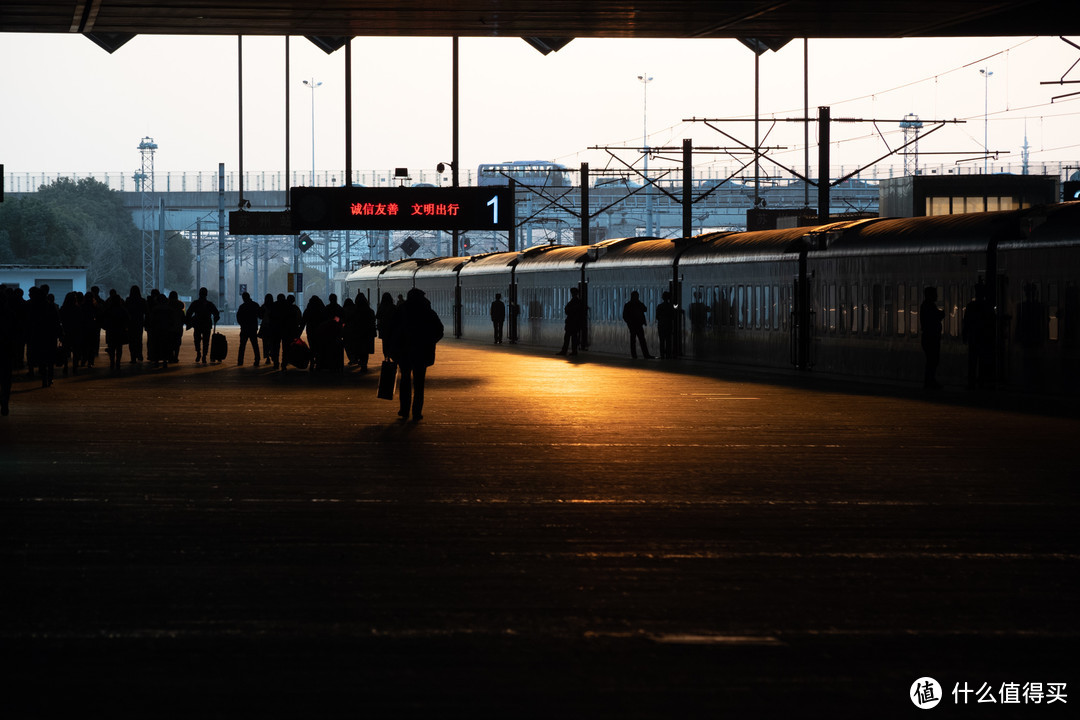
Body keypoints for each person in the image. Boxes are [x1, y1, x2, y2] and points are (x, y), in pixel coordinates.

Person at [389, 287, 444, 421]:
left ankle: (404, 410)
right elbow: (439, 330)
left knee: (405, 380)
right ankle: (417, 412)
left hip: (404, 351)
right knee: (419, 384)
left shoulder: (401, 311)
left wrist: (394, 348)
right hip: (422, 352)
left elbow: (392, 330)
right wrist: (430, 342)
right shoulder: (428, 312)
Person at [961, 282, 994, 389]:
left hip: (974, 337)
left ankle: (972, 381)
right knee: (982, 360)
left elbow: (966, 322)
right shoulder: (987, 306)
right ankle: (981, 380)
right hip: (983, 338)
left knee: (973, 360)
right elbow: (991, 322)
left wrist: (965, 335)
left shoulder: (971, 306)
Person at [919, 286, 945, 390]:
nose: (936, 296)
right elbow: (935, 316)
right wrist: (941, 314)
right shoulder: (929, 306)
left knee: (932, 360)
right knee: (932, 360)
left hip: (928, 337)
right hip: (931, 337)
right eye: (934, 294)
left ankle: (929, 381)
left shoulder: (926, 305)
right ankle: (930, 382)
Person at [185, 287, 219, 364]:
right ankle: (204, 355)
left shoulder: (195, 303)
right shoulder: (210, 304)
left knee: (197, 340)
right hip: (207, 324)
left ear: (199, 294)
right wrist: (216, 318)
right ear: (206, 294)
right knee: (206, 341)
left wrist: (188, 321)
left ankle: (198, 353)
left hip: (197, 324)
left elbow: (189, 313)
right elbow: (216, 313)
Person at [622, 290, 654, 359]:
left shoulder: (629, 305)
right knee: (641, 340)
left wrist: (629, 323)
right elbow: (644, 309)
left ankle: (635, 355)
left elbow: (644, 309)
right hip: (636, 324)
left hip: (635, 325)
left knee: (634, 340)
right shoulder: (634, 304)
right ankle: (645, 355)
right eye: (636, 296)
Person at [556, 287, 585, 356]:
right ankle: (573, 351)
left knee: (568, 337)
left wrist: (569, 310)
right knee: (573, 337)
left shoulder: (574, 302)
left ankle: (566, 351)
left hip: (572, 323)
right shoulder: (577, 302)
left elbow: (568, 310)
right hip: (574, 323)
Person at [236, 291, 261, 366]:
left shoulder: (242, 307)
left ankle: (240, 361)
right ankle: (257, 360)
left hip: (244, 328)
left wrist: (242, 324)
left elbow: (238, 317)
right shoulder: (255, 305)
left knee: (242, 345)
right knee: (255, 344)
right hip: (253, 328)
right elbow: (259, 315)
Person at [124, 285, 147, 364]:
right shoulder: (142, 300)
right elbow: (145, 311)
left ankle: (133, 357)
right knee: (138, 339)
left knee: (131, 341)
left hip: (131, 323)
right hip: (139, 322)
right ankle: (139, 354)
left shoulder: (128, 300)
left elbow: (126, 311)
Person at [656, 291, 677, 359]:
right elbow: (673, 316)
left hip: (661, 325)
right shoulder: (671, 306)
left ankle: (662, 354)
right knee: (668, 340)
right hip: (668, 325)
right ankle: (668, 354)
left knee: (662, 341)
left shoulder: (659, 306)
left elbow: (657, 317)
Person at [376, 292, 397, 359]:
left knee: (385, 343)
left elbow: (377, 316)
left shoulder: (381, 307)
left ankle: (386, 357)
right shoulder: (393, 307)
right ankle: (392, 357)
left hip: (383, 328)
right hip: (392, 328)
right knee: (392, 343)